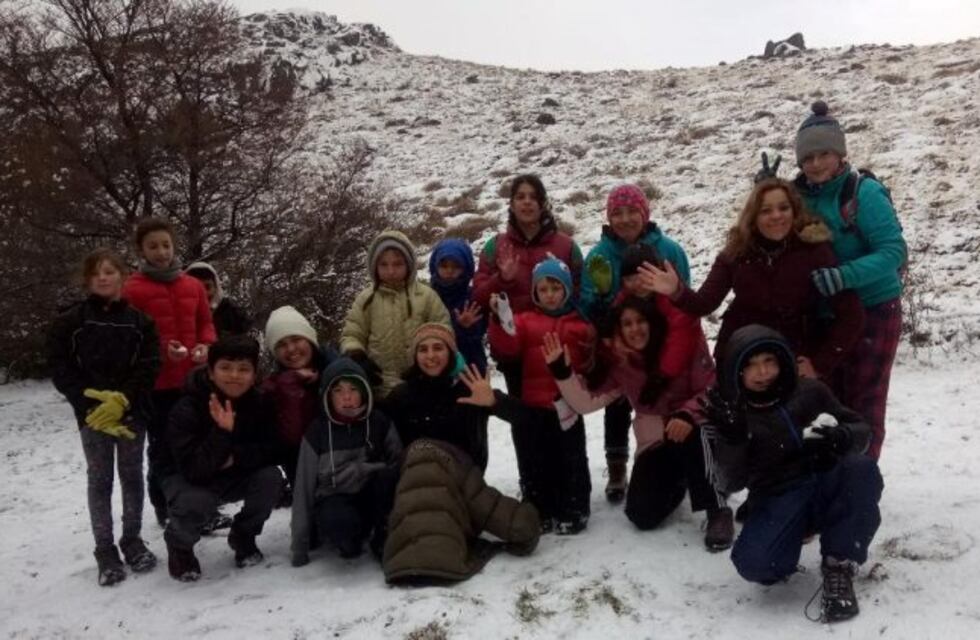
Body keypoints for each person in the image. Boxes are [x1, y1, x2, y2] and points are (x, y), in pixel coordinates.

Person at [702, 324, 883, 623]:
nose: (762, 373)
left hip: (824, 483)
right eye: (751, 366)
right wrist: (732, 440)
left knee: (860, 469)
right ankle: (786, 546)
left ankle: (839, 564)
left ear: (782, 361)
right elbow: (728, 482)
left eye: (768, 361)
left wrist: (841, 436)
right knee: (754, 564)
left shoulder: (810, 390)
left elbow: (862, 430)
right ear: (737, 373)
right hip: (778, 499)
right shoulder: (734, 414)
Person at [542, 296, 733, 551]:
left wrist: (686, 414)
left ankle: (717, 509)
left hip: (695, 428)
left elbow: (709, 387)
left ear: (652, 322)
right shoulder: (623, 365)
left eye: (640, 321)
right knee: (641, 515)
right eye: (627, 324)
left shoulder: (679, 347)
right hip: (655, 441)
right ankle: (684, 478)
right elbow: (586, 403)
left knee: (691, 432)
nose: (635, 329)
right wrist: (562, 372)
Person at [637, 177, 865, 381]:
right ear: (753, 216)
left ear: (794, 211)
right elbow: (704, 304)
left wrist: (820, 364)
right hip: (741, 356)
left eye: (783, 208)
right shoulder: (736, 253)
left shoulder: (814, 251)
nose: (776, 216)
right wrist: (676, 289)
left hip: (791, 356)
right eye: (766, 210)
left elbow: (852, 314)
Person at [792, 101, 907, 459]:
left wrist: (844, 276)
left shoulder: (862, 193)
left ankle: (861, 478)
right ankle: (832, 474)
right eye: (807, 158)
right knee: (827, 400)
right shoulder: (797, 197)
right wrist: (765, 196)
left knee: (866, 400)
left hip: (875, 309)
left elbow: (894, 251)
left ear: (839, 153)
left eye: (823, 154)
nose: (815, 164)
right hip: (826, 316)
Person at [47, 248, 161, 586]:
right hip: (92, 415)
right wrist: (89, 403)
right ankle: (105, 549)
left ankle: (133, 539)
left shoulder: (141, 322)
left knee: (131, 475)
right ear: (86, 279)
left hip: (131, 412)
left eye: (110, 270)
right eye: (96, 272)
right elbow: (60, 366)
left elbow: (150, 364)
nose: (103, 276)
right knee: (100, 479)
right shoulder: (70, 322)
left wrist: (124, 399)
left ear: (122, 276)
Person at [579, 184, 692, 504]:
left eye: (632, 212)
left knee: (667, 399)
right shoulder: (600, 255)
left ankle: (673, 461)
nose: (625, 219)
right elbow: (587, 298)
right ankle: (617, 468)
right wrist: (600, 308)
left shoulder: (669, 249)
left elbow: (683, 293)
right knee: (617, 405)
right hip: (622, 344)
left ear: (645, 214)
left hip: (661, 340)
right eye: (617, 213)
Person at [158, 336, 283, 581]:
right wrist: (222, 432)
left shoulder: (260, 403)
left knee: (271, 478)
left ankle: (243, 535)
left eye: (243, 369)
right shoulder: (188, 407)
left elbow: (272, 447)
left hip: (234, 471)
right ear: (211, 372)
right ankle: (180, 546)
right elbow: (193, 469)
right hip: (187, 478)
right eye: (225, 367)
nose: (234, 375)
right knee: (197, 500)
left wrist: (236, 456)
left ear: (254, 374)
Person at [488, 256, 595, 534]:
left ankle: (575, 507)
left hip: (567, 405)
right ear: (535, 292)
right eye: (543, 289)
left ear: (567, 291)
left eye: (556, 288)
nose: (549, 295)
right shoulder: (524, 322)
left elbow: (589, 364)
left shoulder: (580, 325)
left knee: (572, 458)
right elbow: (507, 349)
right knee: (538, 459)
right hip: (534, 404)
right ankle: (540, 507)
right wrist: (499, 321)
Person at [122, 218, 216, 527]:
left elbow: (206, 323)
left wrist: (205, 346)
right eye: (153, 246)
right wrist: (164, 350)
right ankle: (165, 506)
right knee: (162, 446)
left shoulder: (191, 285)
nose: (161, 252)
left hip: (193, 381)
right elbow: (130, 336)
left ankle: (205, 507)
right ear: (141, 250)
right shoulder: (132, 289)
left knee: (200, 444)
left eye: (166, 244)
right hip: (156, 384)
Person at [472, 174, 583, 396]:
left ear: (543, 204)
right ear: (511, 205)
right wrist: (501, 280)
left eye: (533, 197)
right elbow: (478, 298)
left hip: (559, 349)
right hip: (514, 352)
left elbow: (583, 296)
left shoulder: (567, 247)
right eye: (520, 197)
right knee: (524, 424)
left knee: (567, 420)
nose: (527, 202)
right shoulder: (496, 247)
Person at [290, 358, 402, 565]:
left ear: (365, 392)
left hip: (371, 496)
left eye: (353, 389)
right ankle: (349, 541)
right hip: (335, 498)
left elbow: (398, 463)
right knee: (339, 523)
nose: (347, 397)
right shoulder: (317, 432)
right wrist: (299, 546)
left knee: (387, 479)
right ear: (327, 395)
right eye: (338, 391)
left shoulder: (379, 422)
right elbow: (303, 490)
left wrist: (368, 470)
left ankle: (384, 533)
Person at [383, 438, 541, 584]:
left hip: (399, 565)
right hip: (447, 560)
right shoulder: (458, 465)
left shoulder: (396, 469)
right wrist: (530, 524)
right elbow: (492, 508)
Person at [386, 323, 528, 471]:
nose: (430, 355)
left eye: (438, 348)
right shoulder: (401, 396)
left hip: (468, 485)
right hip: (416, 484)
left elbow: (527, 417)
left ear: (451, 353)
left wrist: (494, 401)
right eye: (423, 349)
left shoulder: (470, 390)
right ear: (415, 356)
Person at [340, 230, 450, 399]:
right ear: (374, 266)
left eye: (398, 264)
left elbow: (443, 332)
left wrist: (428, 365)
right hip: (379, 389)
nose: (391, 271)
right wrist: (357, 356)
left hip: (421, 386)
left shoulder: (426, 296)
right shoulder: (366, 299)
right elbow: (352, 333)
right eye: (384, 265)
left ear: (409, 264)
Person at [261, 305, 338, 502]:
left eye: (296, 339)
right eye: (281, 345)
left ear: (310, 340)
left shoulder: (337, 370)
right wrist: (291, 381)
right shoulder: (273, 386)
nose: (291, 349)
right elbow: (292, 436)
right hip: (302, 468)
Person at [428, 238, 488, 375]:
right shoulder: (428, 297)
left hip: (471, 367)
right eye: (444, 266)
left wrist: (467, 327)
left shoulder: (473, 296)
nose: (449, 271)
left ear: (466, 268)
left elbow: (480, 330)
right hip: (435, 367)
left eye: (456, 267)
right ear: (435, 266)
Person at [185, 261, 252, 339]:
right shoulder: (176, 312)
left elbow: (250, 344)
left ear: (216, 287)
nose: (203, 294)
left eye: (207, 287)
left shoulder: (232, 313)